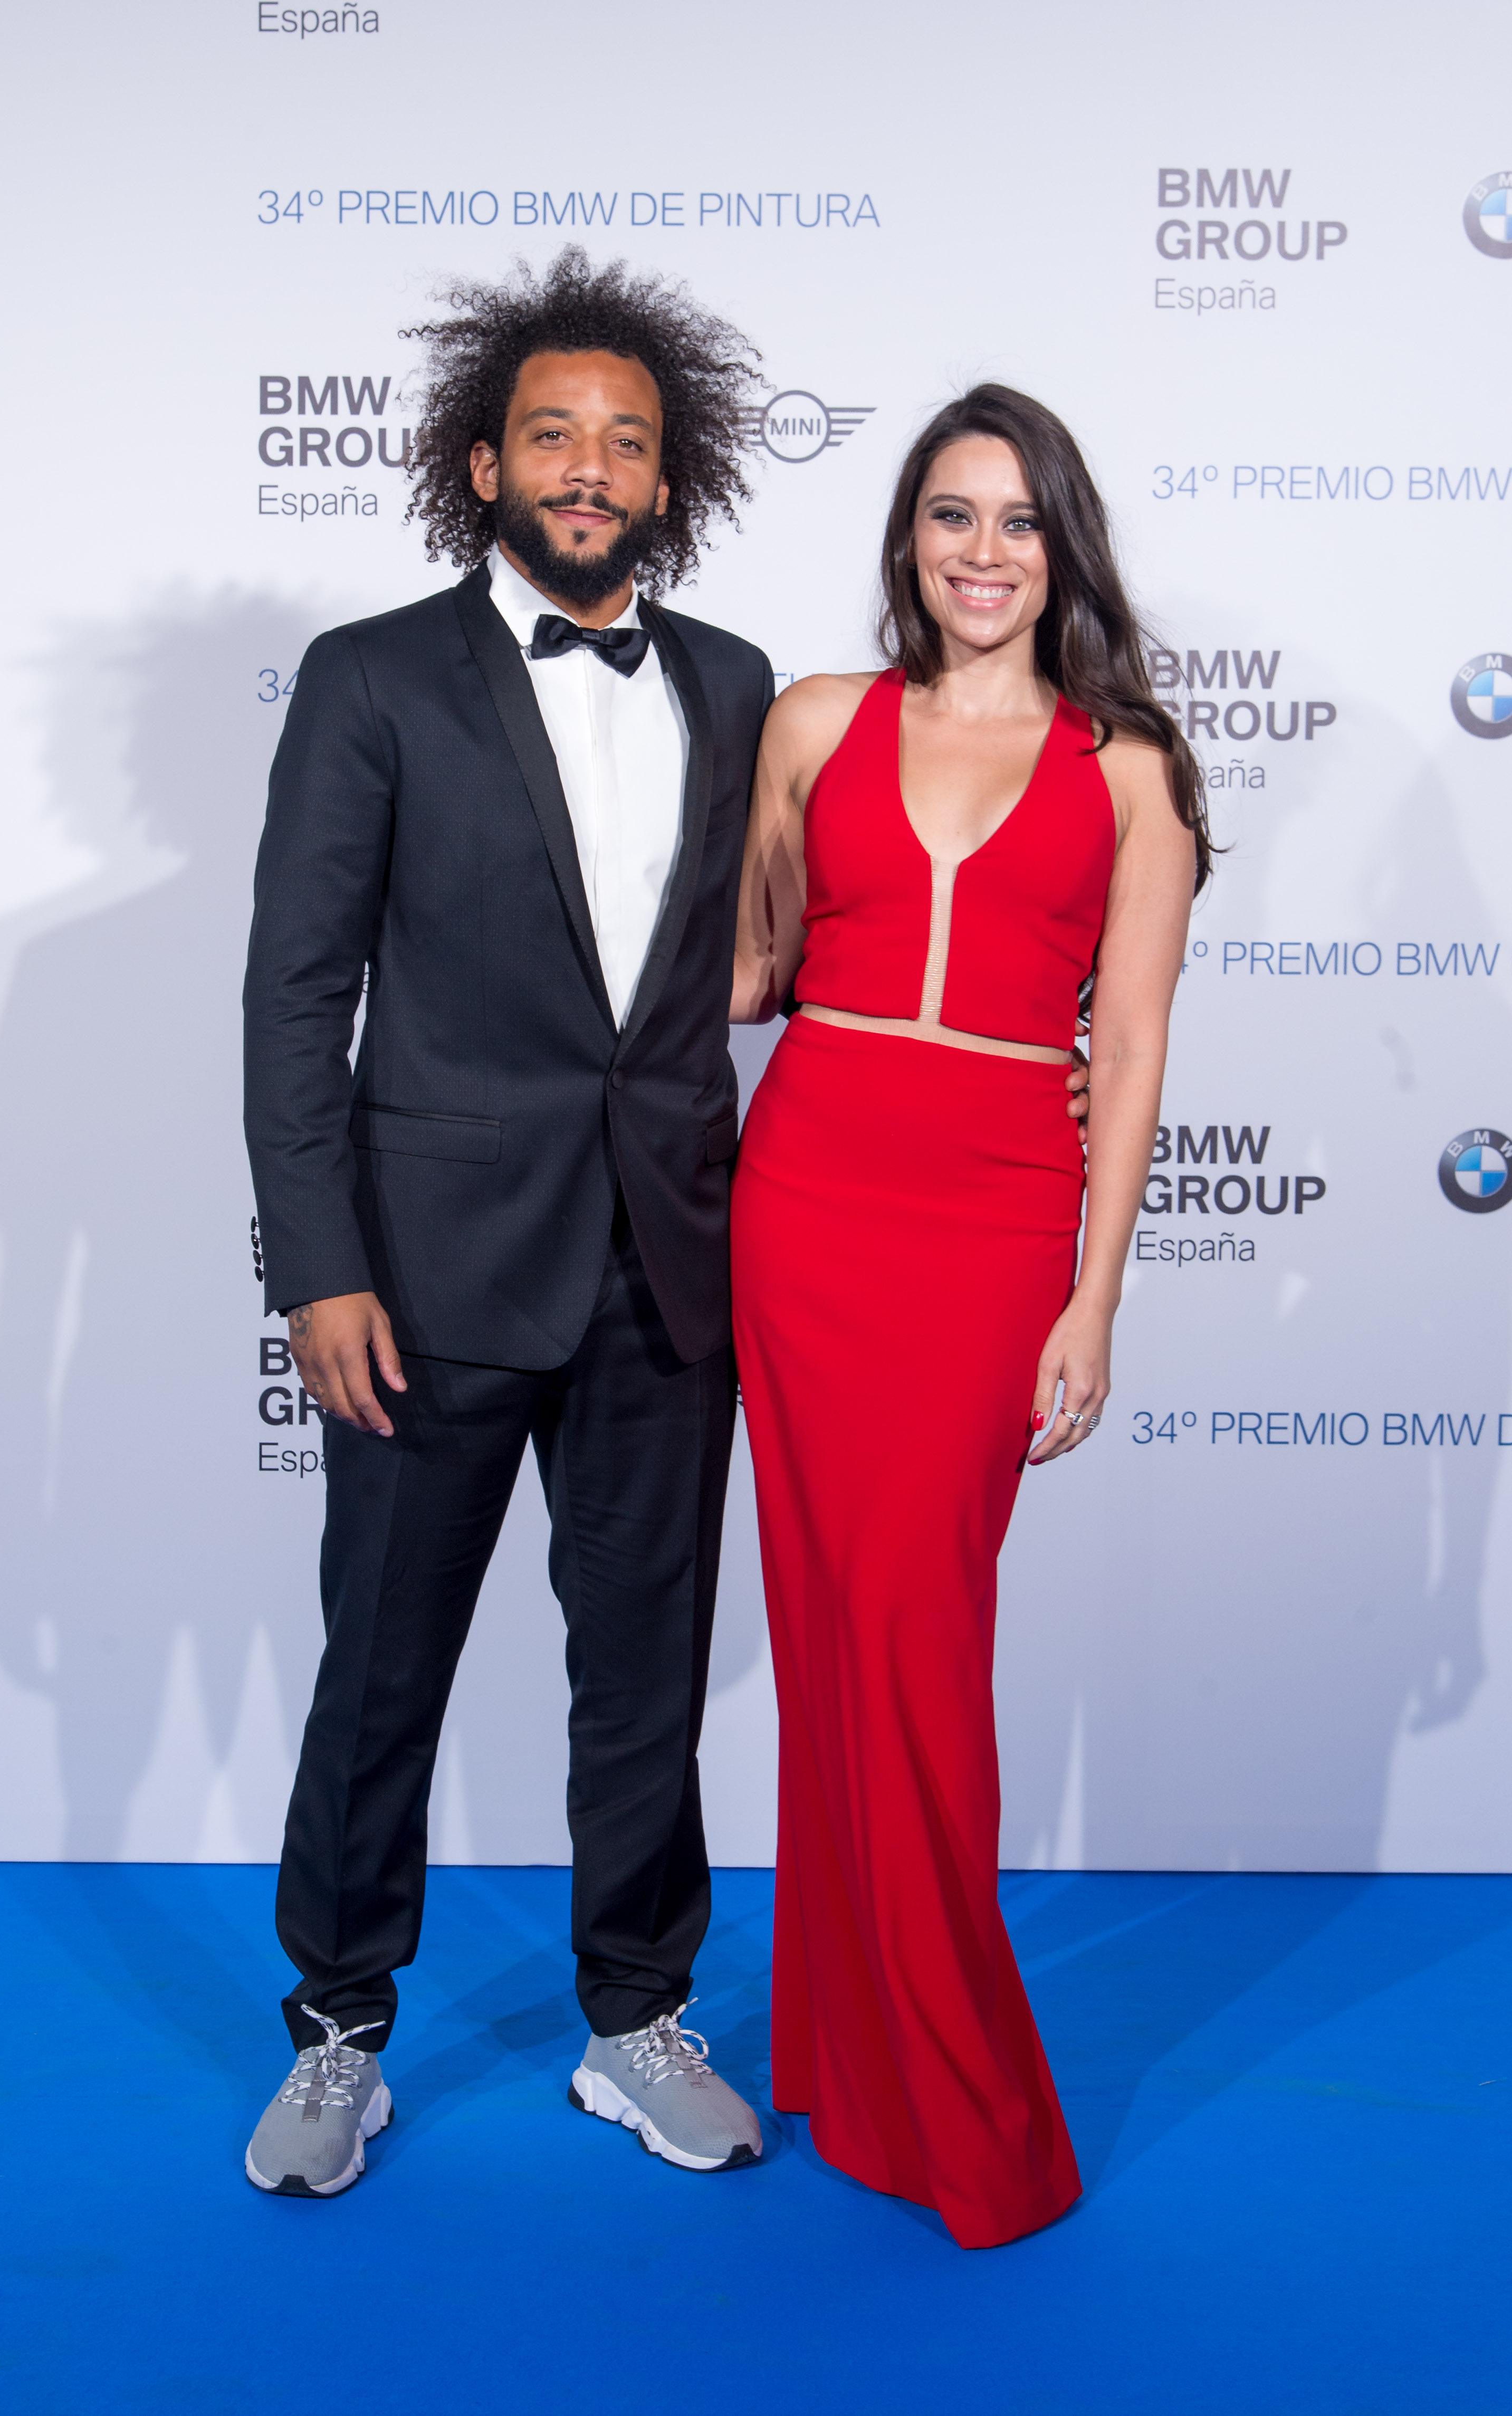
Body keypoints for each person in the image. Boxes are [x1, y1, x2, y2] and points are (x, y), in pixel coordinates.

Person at [240, 249, 780, 2195]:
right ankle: (337, 2029)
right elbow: (296, 992)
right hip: (428, 1277)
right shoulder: (373, 675)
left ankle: (635, 2016)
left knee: (644, 1673)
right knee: (381, 1670)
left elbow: (776, 951)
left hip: (666, 1271)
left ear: (669, 477)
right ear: (483, 463)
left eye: (625, 441)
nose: (588, 467)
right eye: (552, 434)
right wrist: (319, 1264)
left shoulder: (734, 684)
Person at [729, 385, 1208, 2248]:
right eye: (950, 514)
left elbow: (1133, 1046)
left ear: (1060, 547)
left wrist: (1094, 1296)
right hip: (804, 1202)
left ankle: (964, 2099)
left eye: (1016, 520)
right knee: (828, 1632)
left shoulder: (1129, 767)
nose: (982, 552)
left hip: (993, 1216)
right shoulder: (814, 721)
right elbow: (753, 967)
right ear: (907, 539)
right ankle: (843, 2054)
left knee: (915, 1640)